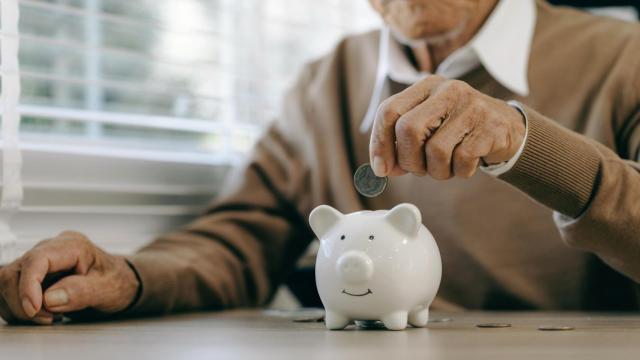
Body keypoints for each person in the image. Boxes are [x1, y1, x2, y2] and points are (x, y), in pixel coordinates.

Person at [1, 0, 639, 325]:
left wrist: (528, 146)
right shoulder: (326, 80)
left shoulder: (624, 56)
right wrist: (129, 276)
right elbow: (236, 242)